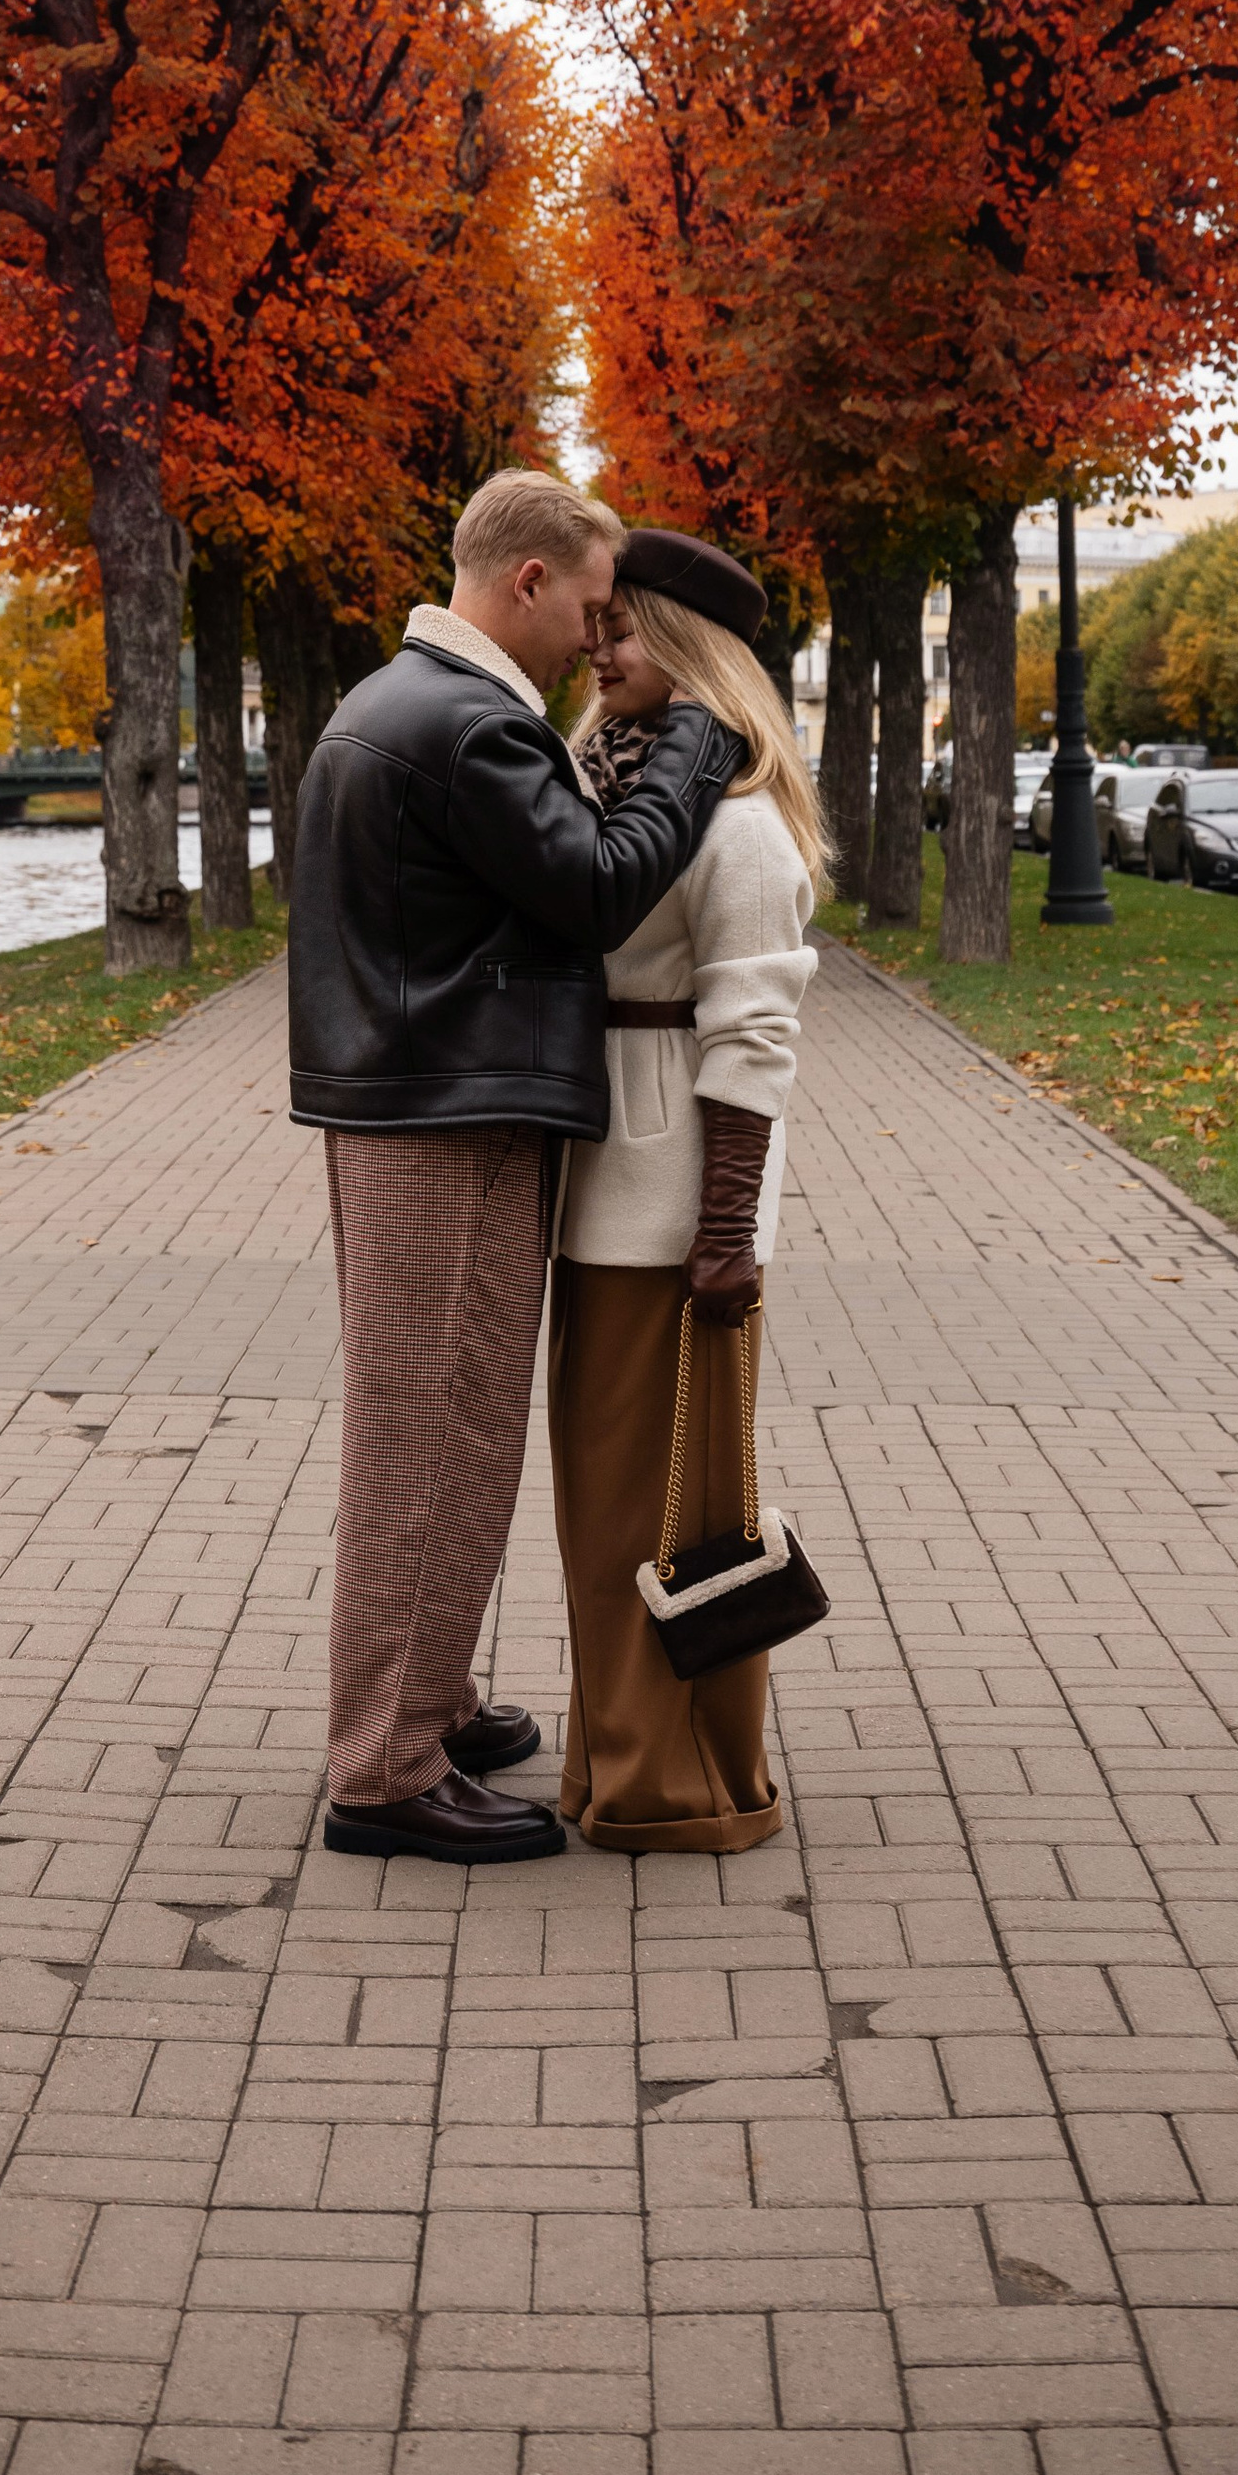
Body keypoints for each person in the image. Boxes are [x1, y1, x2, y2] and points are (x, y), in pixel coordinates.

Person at [288, 470, 742, 1865]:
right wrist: (693, 754)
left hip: (412, 1100)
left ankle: (424, 1702)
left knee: (435, 1418)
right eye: (592, 610)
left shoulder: (400, 700)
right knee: (435, 1432)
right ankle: (384, 1768)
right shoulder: (467, 723)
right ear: (530, 581)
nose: (597, 646)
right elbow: (601, 883)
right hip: (451, 1115)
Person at [550, 528, 824, 1854]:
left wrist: (724, 1233)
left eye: (625, 629)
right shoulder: (613, 780)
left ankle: (673, 1780)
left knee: (659, 1508)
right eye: (595, 626)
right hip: (605, 1198)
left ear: (699, 651)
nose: (598, 650)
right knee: (608, 1506)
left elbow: (754, 1035)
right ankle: (620, 1758)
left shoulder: (739, 819)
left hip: (670, 1218)